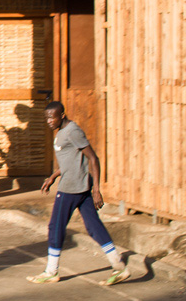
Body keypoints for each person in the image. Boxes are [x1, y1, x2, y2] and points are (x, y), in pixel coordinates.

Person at [30, 101, 129, 285]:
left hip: (71, 188)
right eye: (47, 118)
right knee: (93, 226)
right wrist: (53, 176)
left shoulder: (73, 131)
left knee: (55, 227)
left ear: (62, 115)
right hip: (78, 186)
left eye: (52, 117)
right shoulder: (61, 132)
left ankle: (51, 271)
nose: (49, 121)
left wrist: (98, 190)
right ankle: (119, 266)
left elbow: (93, 158)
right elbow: (70, 161)